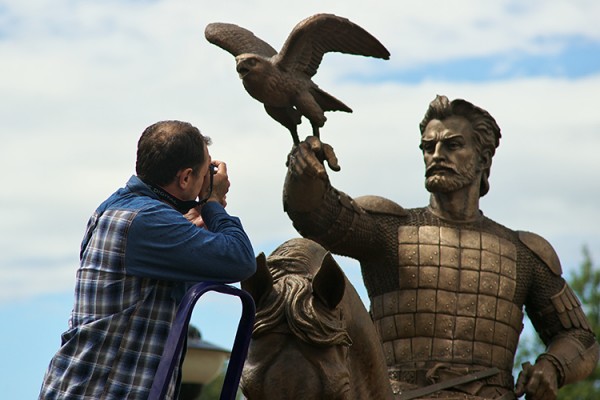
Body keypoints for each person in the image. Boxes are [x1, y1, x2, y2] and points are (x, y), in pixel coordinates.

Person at [283, 95, 599, 400]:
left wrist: (552, 366)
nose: (436, 154)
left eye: (452, 144)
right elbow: (318, 216)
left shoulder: (524, 253)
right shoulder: (390, 230)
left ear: (483, 158)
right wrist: (305, 173)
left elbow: (580, 337)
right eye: (428, 147)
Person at [39, 120, 256, 399]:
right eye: (204, 174)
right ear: (186, 178)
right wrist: (213, 202)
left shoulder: (116, 209)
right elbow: (240, 260)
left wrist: (191, 226)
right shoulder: (148, 222)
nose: (207, 181)